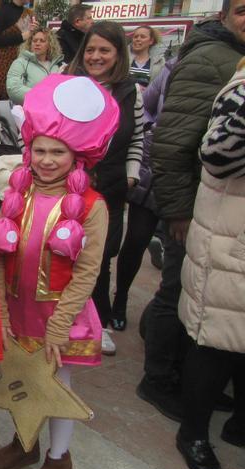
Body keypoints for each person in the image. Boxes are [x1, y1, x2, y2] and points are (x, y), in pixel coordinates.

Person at [0, 74, 115, 469]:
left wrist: (59, 325)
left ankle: (59, 460)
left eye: (57, 151)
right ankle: (26, 442)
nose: (46, 159)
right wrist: (1, 310)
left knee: (57, 387)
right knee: (19, 378)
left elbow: (87, 272)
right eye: (38, 150)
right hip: (19, 311)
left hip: (62, 317)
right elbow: (0, 259)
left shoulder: (93, 207)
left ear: (76, 155)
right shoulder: (14, 197)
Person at [140, 0, 245, 422]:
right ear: (222, 16)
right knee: (177, 291)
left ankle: (186, 376)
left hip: (220, 212)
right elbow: (173, 141)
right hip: (197, 207)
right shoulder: (211, 59)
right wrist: (178, 211)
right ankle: (158, 379)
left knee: (202, 297)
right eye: (241, 9)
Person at [175, 59, 245, 469]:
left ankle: (238, 424)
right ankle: (194, 434)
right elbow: (216, 155)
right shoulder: (239, 90)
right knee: (215, 338)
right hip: (228, 240)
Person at [66, 21, 144, 356]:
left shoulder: (131, 91)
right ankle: (62, 317)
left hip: (111, 190)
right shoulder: (67, 85)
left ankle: (98, 321)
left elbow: (138, 138)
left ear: (118, 54)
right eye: (91, 50)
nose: (96, 57)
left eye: (105, 50)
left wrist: (130, 175)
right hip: (68, 187)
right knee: (64, 252)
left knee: (99, 257)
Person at [110, 56, 173, 332]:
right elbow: (145, 109)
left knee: (179, 249)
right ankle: (120, 299)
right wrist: (153, 131)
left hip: (190, 175)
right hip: (154, 168)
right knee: (135, 239)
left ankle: (166, 310)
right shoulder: (171, 68)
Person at [0, 0, 35, 101]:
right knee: (5, 101)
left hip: (22, 63)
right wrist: (21, 37)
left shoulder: (28, 13)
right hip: (4, 66)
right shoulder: (4, 11)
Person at [6, 26, 65, 106]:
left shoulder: (57, 66)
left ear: (49, 45)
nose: (37, 43)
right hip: (30, 113)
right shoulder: (20, 63)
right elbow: (14, 89)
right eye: (34, 41)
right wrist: (45, 96)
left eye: (42, 41)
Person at [129, 25, 165, 89]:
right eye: (135, 37)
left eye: (142, 37)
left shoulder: (160, 62)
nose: (138, 39)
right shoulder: (124, 60)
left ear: (151, 41)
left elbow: (162, 86)